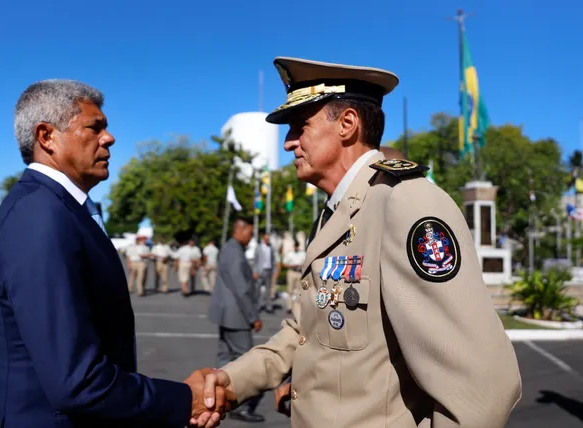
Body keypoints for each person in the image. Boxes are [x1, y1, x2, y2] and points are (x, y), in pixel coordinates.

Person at [198, 57, 522, 428]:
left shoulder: (403, 201)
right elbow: (304, 331)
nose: (288, 143)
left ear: (347, 124)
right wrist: (232, 381)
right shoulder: (333, 214)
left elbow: (483, 388)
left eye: (300, 126)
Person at [0, 79, 230, 428]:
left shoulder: (61, 210)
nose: (109, 138)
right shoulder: (40, 215)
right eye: (94, 128)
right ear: (46, 136)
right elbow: (77, 382)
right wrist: (185, 400)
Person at [206, 216, 265, 423]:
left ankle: (218, 399)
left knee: (225, 358)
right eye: (249, 232)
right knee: (246, 361)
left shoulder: (230, 248)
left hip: (226, 314)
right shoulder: (235, 252)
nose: (251, 237)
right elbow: (241, 289)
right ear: (239, 229)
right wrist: (253, 317)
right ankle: (242, 406)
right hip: (236, 315)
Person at [253, 232, 276, 313]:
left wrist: (274, 270)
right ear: (263, 238)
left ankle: (268, 305)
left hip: (268, 270)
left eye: (268, 239)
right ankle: (257, 305)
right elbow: (255, 260)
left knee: (268, 289)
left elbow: (273, 260)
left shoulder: (271, 248)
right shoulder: (258, 247)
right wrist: (255, 271)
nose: (267, 240)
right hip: (260, 271)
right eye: (266, 239)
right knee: (258, 289)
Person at [281, 241, 305, 313]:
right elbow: (284, 264)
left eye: (297, 246)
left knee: (298, 290)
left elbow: (305, 263)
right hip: (292, 271)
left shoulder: (302, 254)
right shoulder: (290, 254)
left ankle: (297, 307)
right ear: (294, 246)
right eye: (295, 246)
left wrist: (301, 265)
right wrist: (292, 266)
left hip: (299, 272)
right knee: (290, 290)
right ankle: (289, 307)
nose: (296, 248)